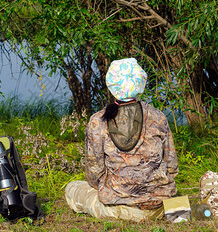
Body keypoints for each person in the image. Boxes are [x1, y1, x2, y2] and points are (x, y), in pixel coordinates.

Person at [65, 58, 179, 221]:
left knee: (73, 187)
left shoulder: (98, 121)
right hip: (161, 208)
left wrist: (114, 188)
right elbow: (172, 167)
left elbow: (94, 173)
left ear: (111, 86)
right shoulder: (158, 117)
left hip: (122, 210)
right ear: (141, 83)